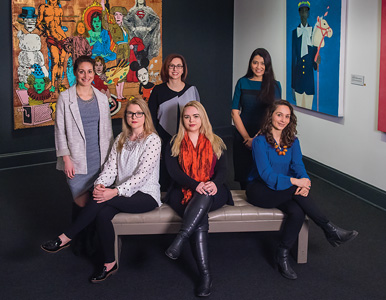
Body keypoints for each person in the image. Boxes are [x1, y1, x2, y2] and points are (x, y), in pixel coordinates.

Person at [41, 98, 162, 283]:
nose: (134, 117)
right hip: (121, 193)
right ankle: (109, 263)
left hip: (145, 195)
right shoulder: (121, 139)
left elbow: (141, 176)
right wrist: (100, 185)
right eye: (130, 113)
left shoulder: (153, 140)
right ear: (126, 116)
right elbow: (110, 169)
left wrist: (113, 192)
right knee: (102, 214)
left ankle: (66, 237)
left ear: (145, 116)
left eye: (139, 113)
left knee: (101, 201)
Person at [246, 100, 358, 280]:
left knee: (297, 212)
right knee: (294, 190)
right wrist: (296, 182)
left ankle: (282, 254)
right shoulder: (259, 141)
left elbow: (298, 165)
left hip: (284, 190)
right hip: (259, 190)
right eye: (279, 114)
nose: (283, 119)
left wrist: (305, 181)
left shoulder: (293, 141)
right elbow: (266, 175)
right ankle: (329, 228)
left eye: (287, 116)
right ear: (271, 115)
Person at [164, 101, 233, 297]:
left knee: (202, 197)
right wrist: (196, 185)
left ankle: (181, 238)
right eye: (187, 117)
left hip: (214, 191)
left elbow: (223, 171)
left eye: (195, 116)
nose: (191, 120)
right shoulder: (173, 142)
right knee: (199, 214)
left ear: (202, 117)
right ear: (182, 119)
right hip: (182, 191)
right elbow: (173, 173)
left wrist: (213, 183)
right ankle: (205, 276)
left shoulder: (215, 140)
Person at [53, 55, 113, 254]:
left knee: (95, 201)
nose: (86, 75)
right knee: (80, 200)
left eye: (90, 71)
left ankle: (90, 241)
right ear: (75, 73)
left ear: (94, 73)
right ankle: (77, 240)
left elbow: (108, 132)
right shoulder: (65, 97)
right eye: (81, 71)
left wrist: (111, 162)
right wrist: (66, 158)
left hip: (100, 158)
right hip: (76, 158)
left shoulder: (102, 98)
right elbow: (59, 130)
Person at [231, 48, 282, 189]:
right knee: (244, 177)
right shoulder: (242, 82)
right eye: (255, 63)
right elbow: (235, 112)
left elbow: (276, 114)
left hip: (266, 136)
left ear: (267, 65)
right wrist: (247, 138)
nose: (258, 67)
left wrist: (257, 138)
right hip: (243, 134)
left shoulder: (275, 85)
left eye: (262, 63)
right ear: (250, 64)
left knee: (263, 176)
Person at [148, 53, 200, 190]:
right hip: (164, 141)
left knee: (187, 177)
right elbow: (150, 119)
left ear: (183, 70)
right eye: (171, 66)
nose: (175, 69)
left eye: (178, 66)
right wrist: (156, 141)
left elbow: (199, 117)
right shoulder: (158, 91)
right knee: (166, 179)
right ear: (166, 68)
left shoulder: (192, 90)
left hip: (188, 141)